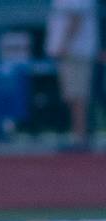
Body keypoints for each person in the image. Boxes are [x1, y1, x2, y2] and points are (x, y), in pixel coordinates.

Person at [45, 0, 100, 150]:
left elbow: (76, 19)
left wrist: (63, 45)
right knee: (73, 96)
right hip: (71, 52)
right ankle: (78, 135)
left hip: (76, 52)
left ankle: (80, 138)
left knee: (78, 96)